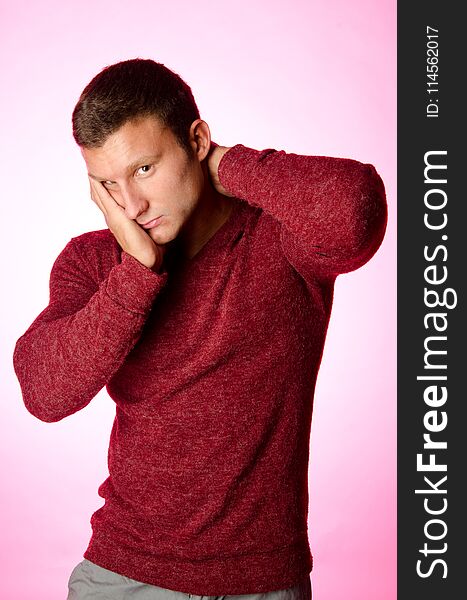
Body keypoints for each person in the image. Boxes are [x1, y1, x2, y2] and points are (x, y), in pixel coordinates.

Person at [13, 58, 388, 599]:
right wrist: (137, 273)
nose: (132, 205)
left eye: (144, 169)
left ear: (196, 139)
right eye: (108, 184)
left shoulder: (280, 240)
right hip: (123, 576)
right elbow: (44, 392)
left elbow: (354, 209)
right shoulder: (92, 263)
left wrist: (229, 166)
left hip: (261, 581)